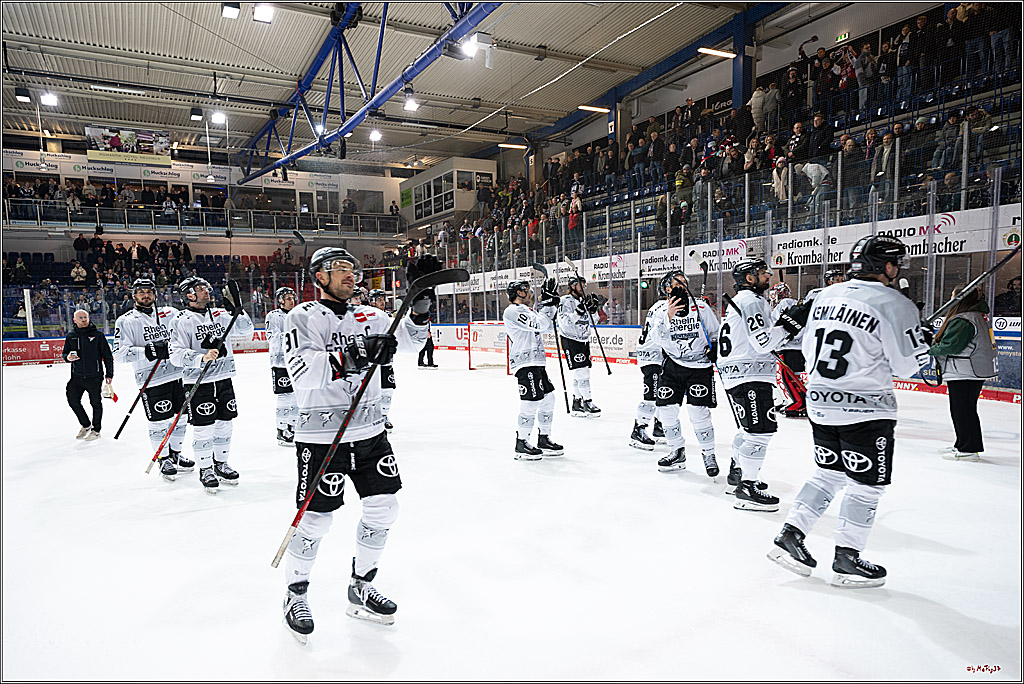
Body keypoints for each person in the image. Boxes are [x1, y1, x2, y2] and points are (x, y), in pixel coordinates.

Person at [279, 247, 431, 640]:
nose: (350, 274)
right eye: (340, 268)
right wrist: (354, 354)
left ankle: (361, 585)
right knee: (316, 519)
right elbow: (303, 372)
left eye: (352, 268)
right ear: (319, 276)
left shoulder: (374, 315)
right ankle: (295, 592)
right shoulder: (302, 316)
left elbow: (413, 343)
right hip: (321, 436)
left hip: (369, 432)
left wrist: (421, 306)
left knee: (384, 507)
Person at [769, 235, 933, 588]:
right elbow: (906, 366)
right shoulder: (894, 302)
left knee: (829, 474)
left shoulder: (824, 296)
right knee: (866, 485)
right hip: (865, 408)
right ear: (887, 266)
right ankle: (847, 557)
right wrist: (924, 341)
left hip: (821, 403)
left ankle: (790, 534)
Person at [717, 257, 801, 511]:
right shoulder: (752, 301)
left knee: (748, 430)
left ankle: (738, 474)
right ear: (750, 278)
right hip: (748, 375)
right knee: (760, 432)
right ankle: (747, 488)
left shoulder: (745, 301)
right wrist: (788, 324)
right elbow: (763, 342)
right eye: (764, 273)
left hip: (741, 373)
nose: (769, 276)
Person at [168, 277, 254, 493]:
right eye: (200, 289)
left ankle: (221, 463)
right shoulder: (180, 320)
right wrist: (202, 358)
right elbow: (175, 355)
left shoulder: (220, 314)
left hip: (224, 377)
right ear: (189, 295)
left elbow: (246, 332)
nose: (206, 290)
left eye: (206, 287)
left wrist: (237, 310)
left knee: (225, 424)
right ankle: (205, 468)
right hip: (198, 381)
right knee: (203, 427)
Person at [112, 277, 192, 480]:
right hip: (152, 379)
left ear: (155, 294)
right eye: (141, 292)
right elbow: (119, 354)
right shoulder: (127, 320)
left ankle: (175, 454)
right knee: (159, 421)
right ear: (134, 295)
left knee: (182, 418)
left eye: (149, 291)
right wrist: (149, 351)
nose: (145, 295)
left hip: (179, 375)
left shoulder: (171, 313)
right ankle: (163, 458)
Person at [647, 271, 721, 477]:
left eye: (684, 282)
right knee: (667, 411)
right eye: (677, 282)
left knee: (699, 414)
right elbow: (657, 339)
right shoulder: (661, 310)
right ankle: (676, 451)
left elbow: (716, 333)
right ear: (667, 288)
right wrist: (668, 315)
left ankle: (708, 454)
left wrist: (715, 347)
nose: (682, 284)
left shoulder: (702, 307)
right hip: (673, 366)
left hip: (699, 368)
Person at [928, 287, 997, 461]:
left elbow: (952, 346)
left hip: (965, 371)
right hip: (968, 371)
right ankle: (963, 444)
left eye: (953, 296)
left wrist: (929, 349)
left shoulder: (964, 319)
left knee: (963, 411)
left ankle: (968, 448)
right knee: (964, 410)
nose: (951, 299)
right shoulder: (974, 315)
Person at [503, 279, 564, 460]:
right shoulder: (512, 311)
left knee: (548, 398)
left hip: (536, 362)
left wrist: (551, 304)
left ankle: (544, 438)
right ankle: (521, 442)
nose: (530, 293)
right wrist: (546, 304)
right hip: (524, 362)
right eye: (526, 290)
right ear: (518, 293)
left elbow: (545, 323)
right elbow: (540, 324)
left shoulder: (527, 310)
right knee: (531, 401)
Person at [62, 309, 114, 441]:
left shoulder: (97, 335)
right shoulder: (70, 336)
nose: (84, 319)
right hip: (76, 377)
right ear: (75, 320)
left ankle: (96, 430)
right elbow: (65, 354)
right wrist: (68, 357)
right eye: (80, 318)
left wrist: (109, 374)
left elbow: (107, 356)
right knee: (72, 400)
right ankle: (86, 425)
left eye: (85, 317)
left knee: (95, 403)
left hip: (94, 377)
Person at [557, 276, 603, 417]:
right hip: (570, 340)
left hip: (583, 340)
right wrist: (579, 310)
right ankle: (587, 401)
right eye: (580, 285)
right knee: (583, 372)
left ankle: (577, 403)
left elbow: (593, 321)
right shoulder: (564, 301)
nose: (583, 288)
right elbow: (564, 322)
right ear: (572, 286)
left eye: (584, 285)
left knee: (580, 373)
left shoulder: (583, 300)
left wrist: (594, 310)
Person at [265, 286, 299, 446]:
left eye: (293, 298)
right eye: (288, 298)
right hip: (280, 363)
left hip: (297, 362)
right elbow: (273, 338)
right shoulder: (273, 316)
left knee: (296, 397)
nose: (292, 301)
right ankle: (281, 430)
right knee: (285, 397)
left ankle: (292, 426)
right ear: (280, 300)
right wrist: (294, 334)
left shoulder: (298, 314)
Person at [768, 281, 806, 418]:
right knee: (791, 376)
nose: (773, 298)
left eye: (775, 294)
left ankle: (799, 403)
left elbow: (778, 325)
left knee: (788, 377)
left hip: (789, 346)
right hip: (796, 346)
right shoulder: (793, 304)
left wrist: (775, 341)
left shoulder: (786, 304)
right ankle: (790, 400)